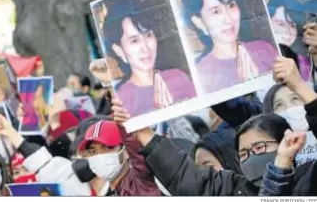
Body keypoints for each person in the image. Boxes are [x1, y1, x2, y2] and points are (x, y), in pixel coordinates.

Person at [110, 58, 317, 196]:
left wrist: (299, 86)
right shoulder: (234, 189)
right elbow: (184, 175)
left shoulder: (309, 179)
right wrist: (141, 131)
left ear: (287, 143)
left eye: (259, 147)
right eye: (244, 153)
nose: (251, 156)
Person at [102, 0, 196, 116]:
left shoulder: (178, 77)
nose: (145, 47)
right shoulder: (122, 99)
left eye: (148, 35)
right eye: (134, 41)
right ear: (119, 50)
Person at [181, 0, 278, 93]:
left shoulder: (264, 48)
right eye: (216, 11)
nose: (228, 18)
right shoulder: (201, 75)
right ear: (199, 22)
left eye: (231, 5)